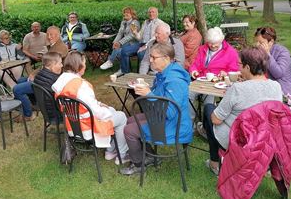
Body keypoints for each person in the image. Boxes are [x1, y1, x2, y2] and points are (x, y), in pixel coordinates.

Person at [203, 47, 283, 176]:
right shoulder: (276, 87)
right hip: (264, 138)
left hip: (239, 139)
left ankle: (214, 162)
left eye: (239, 64)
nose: (238, 68)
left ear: (247, 67)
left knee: (208, 110)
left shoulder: (237, 89)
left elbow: (216, 120)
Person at [120, 43, 192, 175]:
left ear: (166, 58)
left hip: (175, 126)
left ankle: (138, 164)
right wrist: (149, 89)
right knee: (130, 120)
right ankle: (151, 156)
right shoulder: (165, 73)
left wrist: (148, 94)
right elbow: (160, 95)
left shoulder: (174, 80)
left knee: (129, 130)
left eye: (153, 57)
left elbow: (169, 112)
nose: (150, 60)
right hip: (166, 119)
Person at [52, 51, 129, 165]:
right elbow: (96, 111)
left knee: (112, 111)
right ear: (78, 66)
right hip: (87, 126)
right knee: (121, 116)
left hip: (72, 124)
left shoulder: (60, 81)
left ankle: (110, 151)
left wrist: (98, 104)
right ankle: (121, 155)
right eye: (84, 63)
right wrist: (107, 111)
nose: (85, 66)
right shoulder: (81, 85)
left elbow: (78, 102)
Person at [188, 27, 239, 120]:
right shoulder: (202, 49)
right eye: (210, 43)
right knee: (187, 95)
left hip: (217, 83)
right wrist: (194, 71)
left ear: (221, 40)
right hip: (201, 80)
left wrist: (225, 73)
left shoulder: (230, 52)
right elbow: (195, 64)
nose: (212, 46)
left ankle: (208, 124)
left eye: (216, 44)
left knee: (209, 100)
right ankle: (190, 121)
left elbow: (234, 71)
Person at [13, 52, 63, 122]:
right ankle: (29, 113)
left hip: (47, 111)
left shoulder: (41, 75)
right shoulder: (55, 81)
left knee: (18, 86)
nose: (62, 65)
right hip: (56, 115)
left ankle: (29, 111)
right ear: (52, 65)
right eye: (60, 63)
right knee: (19, 84)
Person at [100, 6, 140, 76]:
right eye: (125, 12)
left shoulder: (134, 23)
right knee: (118, 49)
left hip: (133, 43)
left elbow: (132, 35)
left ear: (132, 14)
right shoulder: (123, 22)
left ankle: (110, 61)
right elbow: (120, 33)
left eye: (128, 12)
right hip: (125, 42)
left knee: (119, 48)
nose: (126, 14)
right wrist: (115, 42)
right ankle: (122, 69)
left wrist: (120, 42)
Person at [254, 27, 291, 95]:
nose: (257, 45)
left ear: (271, 42)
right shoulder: (260, 52)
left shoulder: (282, 52)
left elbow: (278, 74)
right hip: (265, 87)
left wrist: (267, 54)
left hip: (283, 90)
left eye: (261, 42)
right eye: (256, 42)